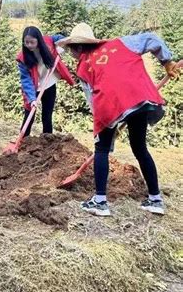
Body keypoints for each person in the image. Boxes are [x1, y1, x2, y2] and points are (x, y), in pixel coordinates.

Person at [58, 23, 180, 216]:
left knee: (102, 149)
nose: (71, 53)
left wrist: (104, 129)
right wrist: (166, 61)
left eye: (71, 48)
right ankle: (155, 200)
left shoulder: (83, 68)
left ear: (79, 47)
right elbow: (152, 38)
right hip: (141, 98)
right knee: (140, 148)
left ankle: (100, 202)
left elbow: (93, 101)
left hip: (111, 105)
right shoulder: (121, 43)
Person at [17, 26, 75, 136]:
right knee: (29, 115)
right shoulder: (22, 58)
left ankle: (48, 142)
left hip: (49, 85)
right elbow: (26, 80)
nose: (29, 45)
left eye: (32, 42)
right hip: (33, 88)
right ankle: (23, 142)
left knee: (47, 117)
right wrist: (32, 99)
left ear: (38, 39)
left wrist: (61, 45)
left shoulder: (48, 41)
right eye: (26, 42)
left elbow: (61, 38)